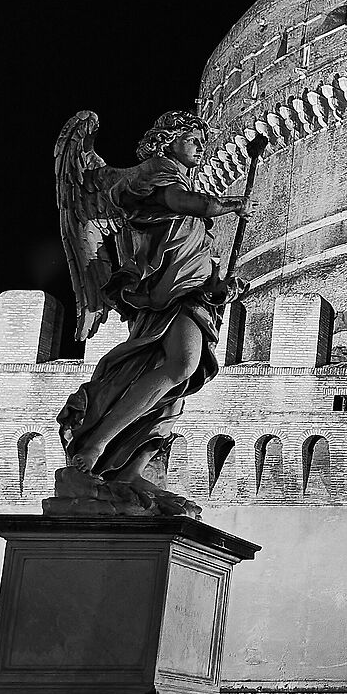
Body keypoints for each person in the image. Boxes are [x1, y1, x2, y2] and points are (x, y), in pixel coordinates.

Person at [56, 111, 246, 509]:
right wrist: (224, 206)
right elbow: (177, 201)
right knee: (179, 367)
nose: (200, 147)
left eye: (200, 140)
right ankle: (92, 450)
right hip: (164, 295)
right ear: (167, 142)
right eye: (191, 139)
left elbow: (191, 254)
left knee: (178, 384)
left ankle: (129, 470)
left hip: (189, 295)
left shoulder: (184, 192)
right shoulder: (156, 174)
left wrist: (220, 287)